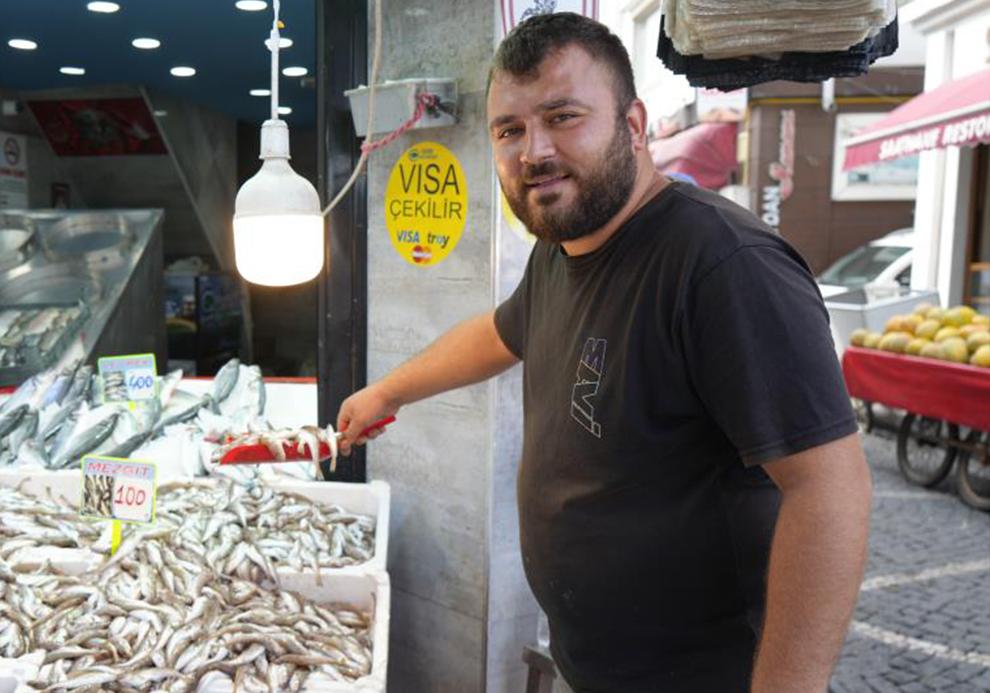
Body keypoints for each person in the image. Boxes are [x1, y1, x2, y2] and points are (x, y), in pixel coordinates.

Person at [337, 12, 872, 693]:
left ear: (635, 123)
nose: (534, 151)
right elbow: (500, 334)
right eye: (510, 129)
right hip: (589, 666)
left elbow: (830, 488)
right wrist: (388, 392)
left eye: (563, 116)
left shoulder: (722, 265)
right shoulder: (561, 247)